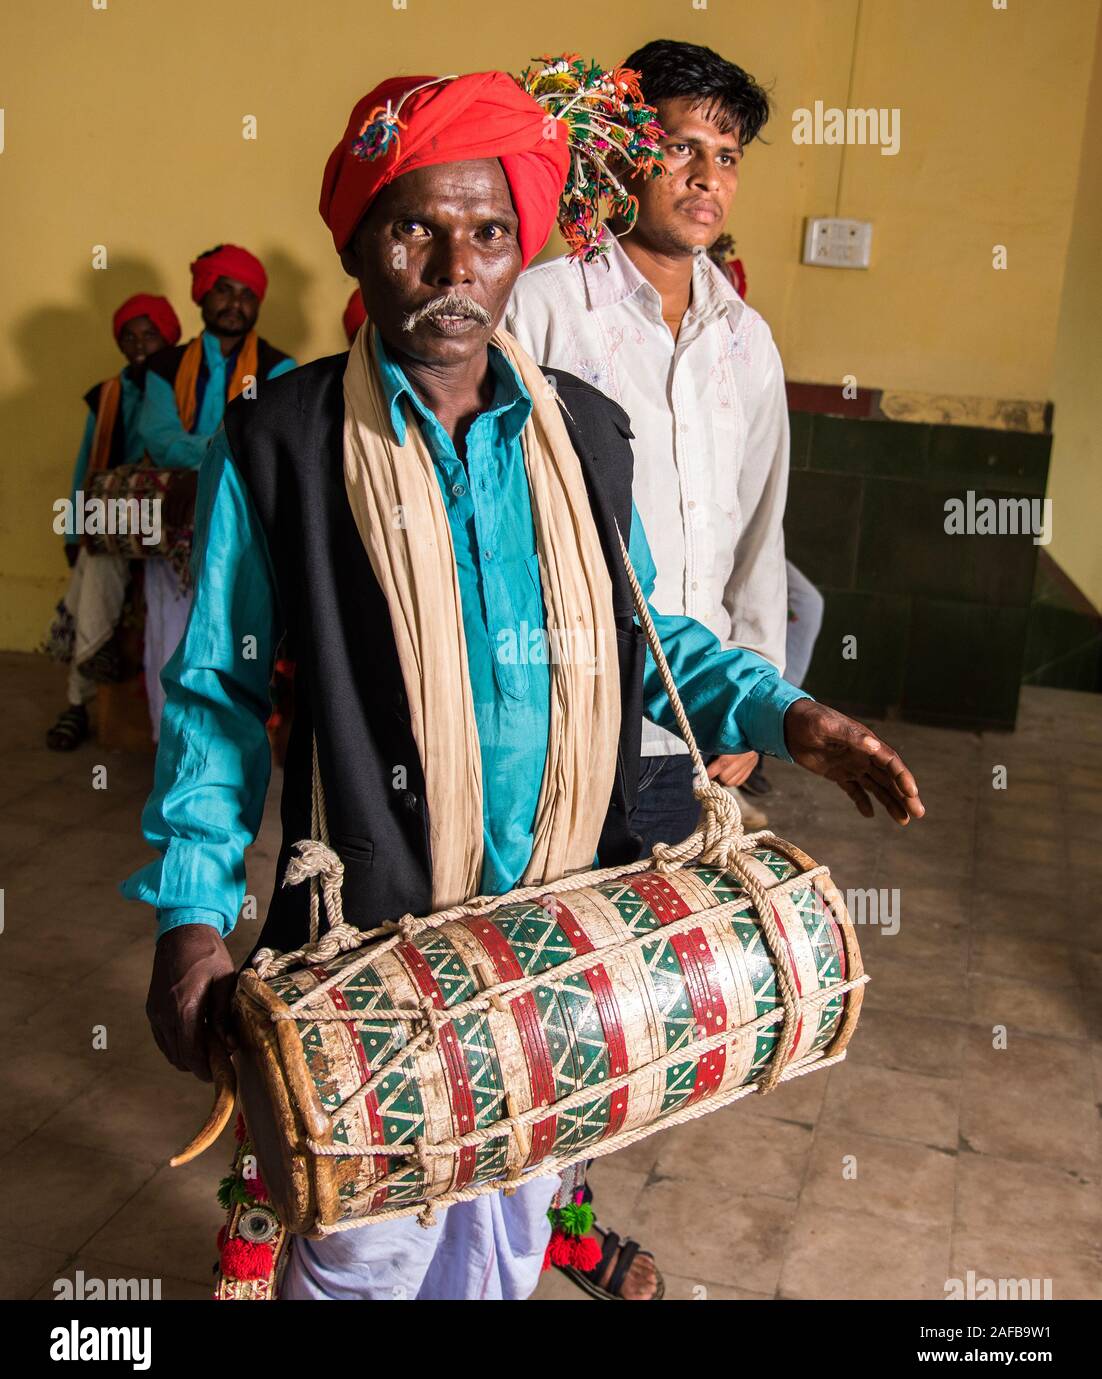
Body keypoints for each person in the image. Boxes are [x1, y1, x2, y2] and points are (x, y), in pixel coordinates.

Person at [123, 69, 923, 1303]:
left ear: (520, 250)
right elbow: (218, 699)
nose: (455, 267)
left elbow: (648, 628)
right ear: (361, 247)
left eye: (489, 233)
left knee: (506, 1225)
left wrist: (787, 713)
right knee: (360, 1245)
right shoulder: (279, 444)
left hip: (558, 922)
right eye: (415, 230)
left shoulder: (585, 435)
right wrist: (191, 918)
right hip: (371, 929)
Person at [506, 39, 787, 843]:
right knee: (552, 941)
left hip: (694, 729)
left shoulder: (745, 340)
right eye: (681, 149)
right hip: (562, 714)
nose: (707, 179)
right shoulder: (541, 311)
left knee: (660, 950)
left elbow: (760, 524)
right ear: (625, 150)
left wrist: (757, 695)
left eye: (727, 158)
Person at [139, 244, 295, 740]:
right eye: (223, 289)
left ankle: (226, 745)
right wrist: (225, 448)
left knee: (237, 629)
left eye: (246, 293)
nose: (234, 302)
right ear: (202, 296)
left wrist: (210, 454)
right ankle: (171, 741)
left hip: (244, 524)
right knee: (169, 627)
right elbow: (158, 438)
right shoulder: (164, 367)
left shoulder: (280, 368)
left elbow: (268, 439)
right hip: (171, 529)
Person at [46, 294, 181, 751]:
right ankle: (81, 695)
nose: (139, 343)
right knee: (94, 566)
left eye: (150, 334)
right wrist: (74, 529)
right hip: (116, 516)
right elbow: (87, 465)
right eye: (129, 335)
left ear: (170, 337)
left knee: (100, 566)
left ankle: (81, 693)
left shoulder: (181, 384)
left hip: (169, 518)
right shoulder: (107, 393)